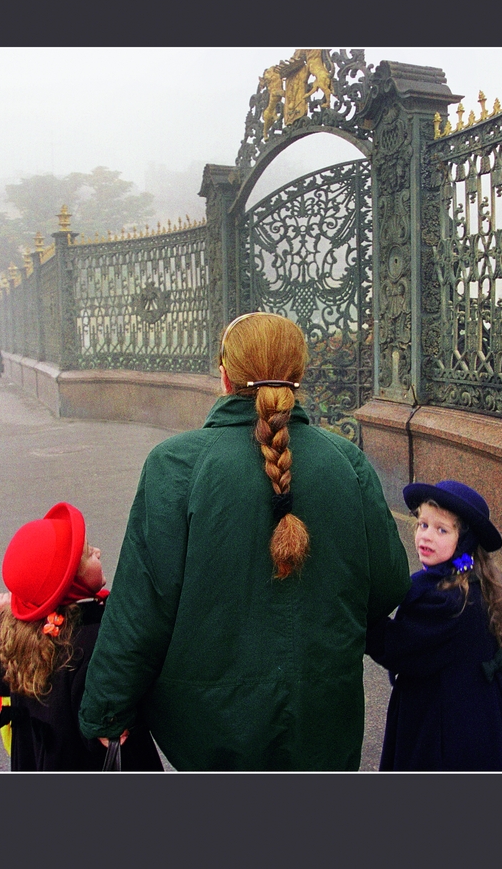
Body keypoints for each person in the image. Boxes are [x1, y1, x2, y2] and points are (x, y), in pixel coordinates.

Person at [79, 312, 411, 770]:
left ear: (225, 375)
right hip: (323, 715)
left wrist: (107, 708)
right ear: (299, 375)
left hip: (211, 726)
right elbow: (390, 584)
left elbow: (143, 606)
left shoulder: (176, 465)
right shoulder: (346, 462)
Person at [365, 479, 502, 771]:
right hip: (481, 711)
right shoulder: (471, 581)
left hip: (448, 723)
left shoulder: (448, 603)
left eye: (442, 530)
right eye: (423, 524)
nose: (426, 536)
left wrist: (360, 615)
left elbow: (396, 647)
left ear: (464, 540)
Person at [0, 502, 163, 772]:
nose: (98, 552)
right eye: (88, 555)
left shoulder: (18, 636)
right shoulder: (99, 641)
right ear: (69, 583)